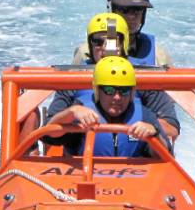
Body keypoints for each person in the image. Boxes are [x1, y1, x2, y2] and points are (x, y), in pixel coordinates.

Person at [50, 13, 180, 140]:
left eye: (113, 41)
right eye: (98, 42)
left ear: (124, 44)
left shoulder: (144, 77)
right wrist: (72, 113)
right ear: (90, 45)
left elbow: (172, 128)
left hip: (135, 155)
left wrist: (152, 127)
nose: (106, 48)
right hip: (83, 155)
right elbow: (49, 130)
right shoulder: (73, 79)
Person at [44, 57, 169, 157]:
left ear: (132, 93)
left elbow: (167, 156)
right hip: (83, 179)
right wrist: (70, 113)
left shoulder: (144, 115)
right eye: (109, 90)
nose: (117, 97)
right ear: (97, 90)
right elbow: (48, 136)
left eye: (124, 90)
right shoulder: (79, 111)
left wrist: (155, 134)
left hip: (132, 181)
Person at [73, 0, 173, 67]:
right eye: (124, 10)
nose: (131, 16)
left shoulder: (159, 56)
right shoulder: (85, 52)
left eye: (137, 10)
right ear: (111, 10)